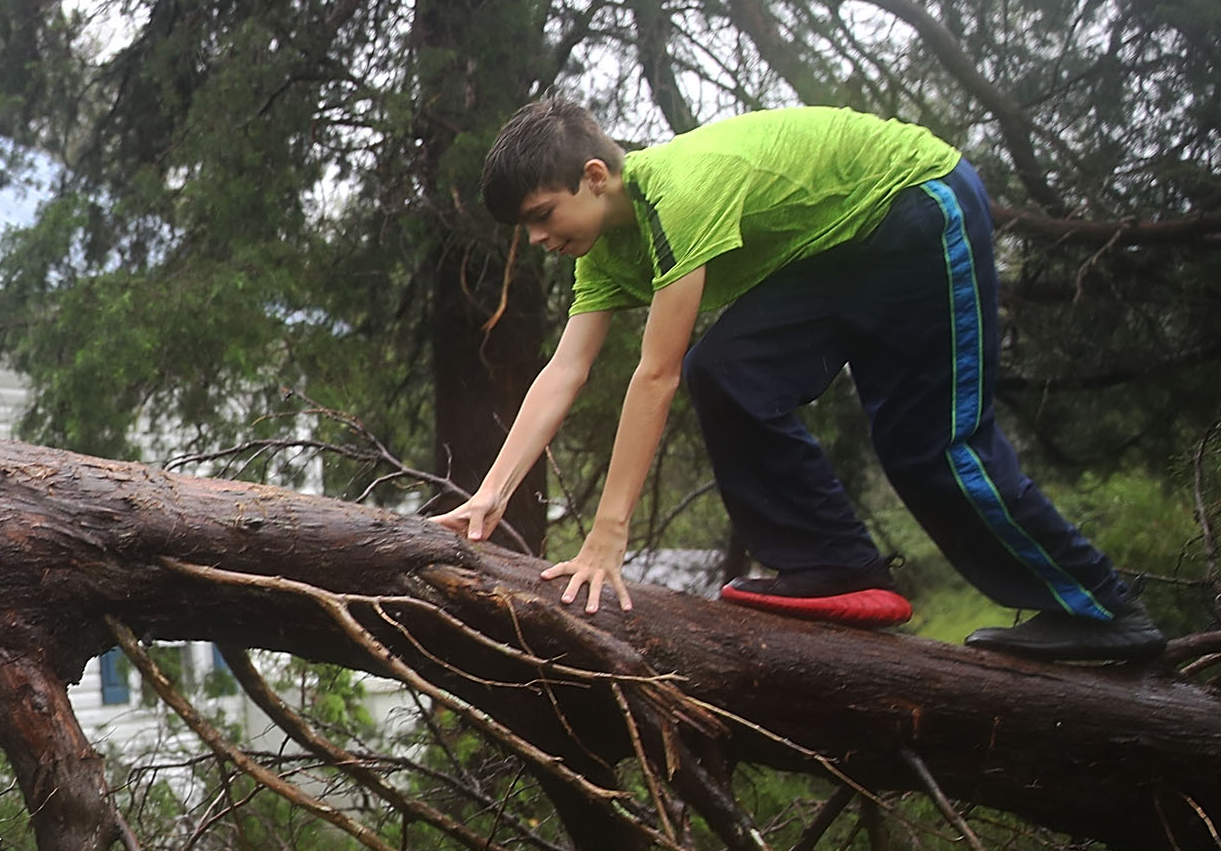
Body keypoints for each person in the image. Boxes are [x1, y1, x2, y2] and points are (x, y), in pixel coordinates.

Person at [435, 100, 1164, 664]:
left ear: (595, 177)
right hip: (837, 249)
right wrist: (491, 493)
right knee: (728, 371)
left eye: (542, 216)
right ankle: (837, 566)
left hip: (914, 203)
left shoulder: (681, 193)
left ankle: (1101, 609)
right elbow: (565, 370)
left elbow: (654, 376)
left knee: (931, 445)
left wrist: (606, 539)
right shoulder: (603, 253)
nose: (537, 240)